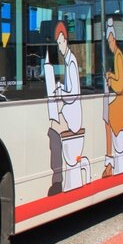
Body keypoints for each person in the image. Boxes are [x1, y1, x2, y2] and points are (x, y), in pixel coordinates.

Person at [46, 21, 83, 194]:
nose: (59, 47)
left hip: (73, 116)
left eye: (60, 43)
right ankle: (57, 177)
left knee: (53, 130)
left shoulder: (72, 61)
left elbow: (73, 94)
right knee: (53, 127)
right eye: (58, 43)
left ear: (66, 40)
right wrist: (61, 88)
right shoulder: (67, 61)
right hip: (69, 112)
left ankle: (57, 178)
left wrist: (60, 92)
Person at [103, 18, 123, 177]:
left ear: (115, 40)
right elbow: (119, 78)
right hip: (120, 101)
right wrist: (111, 75)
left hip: (121, 103)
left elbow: (120, 87)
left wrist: (110, 79)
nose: (109, 45)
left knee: (107, 118)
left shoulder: (118, 56)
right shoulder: (117, 56)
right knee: (106, 115)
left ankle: (109, 162)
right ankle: (109, 162)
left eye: (111, 41)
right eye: (108, 42)